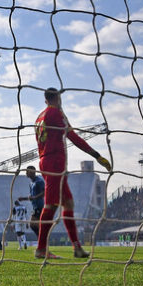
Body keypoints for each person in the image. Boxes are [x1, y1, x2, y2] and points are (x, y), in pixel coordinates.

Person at [33, 88, 111, 259]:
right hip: (54, 162)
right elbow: (73, 137)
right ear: (58, 98)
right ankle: (40, 249)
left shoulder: (39, 117)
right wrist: (96, 155)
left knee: (68, 203)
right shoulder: (55, 113)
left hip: (46, 161)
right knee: (51, 205)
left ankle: (77, 248)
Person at [18, 165, 45, 237]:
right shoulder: (31, 183)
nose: (26, 173)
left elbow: (44, 193)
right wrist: (23, 198)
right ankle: (42, 242)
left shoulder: (39, 181)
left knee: (34, 225)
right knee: (33, 225)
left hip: (40, 206)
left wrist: (35, 197)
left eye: (27, 171)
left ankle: (43, 242)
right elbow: (32, 197)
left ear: (32, 172)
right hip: (35, 207)